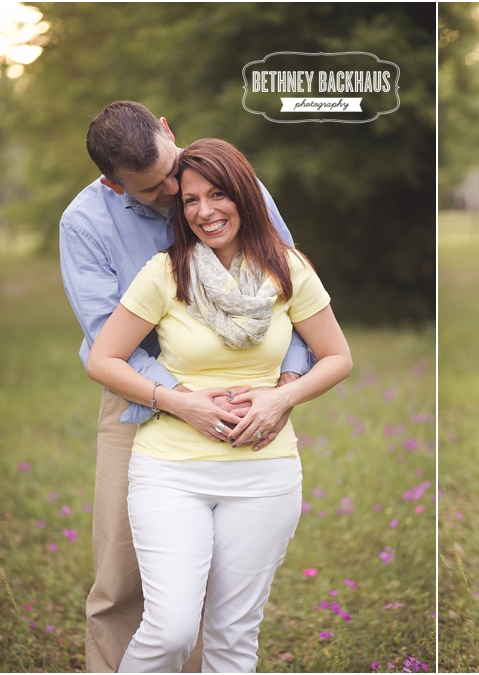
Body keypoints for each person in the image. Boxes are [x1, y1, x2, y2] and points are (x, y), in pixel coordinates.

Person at [60, 101, 310, 672]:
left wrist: (284, 386)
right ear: (113, 182)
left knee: (218, 595)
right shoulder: (86, 224)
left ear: (168, 131)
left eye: (173, 168)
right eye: (154, 189)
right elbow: (108, 344)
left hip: (246, 406)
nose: (177, 191)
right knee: (123, 579)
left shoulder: (231, 189)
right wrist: (181, 400)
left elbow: (290, 291)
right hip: (140, 403)